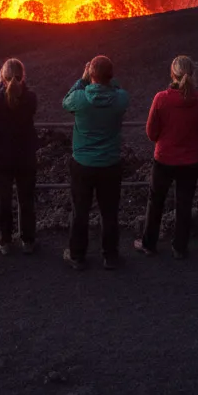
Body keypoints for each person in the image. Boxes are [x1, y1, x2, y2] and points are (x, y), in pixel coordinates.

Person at [136, 55, 198, 259]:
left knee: (156, 201)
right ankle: (180, 247)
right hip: (191, 160)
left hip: (164, 159)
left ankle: (149, 244)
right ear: (193, 73)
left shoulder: (161, 98)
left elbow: (151, 133)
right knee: (184, 203)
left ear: (172, 74)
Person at [62, 55, 129, 270]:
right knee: (109, 212)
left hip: (82, 164)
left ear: (91, 74)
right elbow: (118, 89)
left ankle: (76, 255)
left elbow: (66, 101)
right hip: (110, 164)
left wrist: (82, 80)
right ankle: (110, 256)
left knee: (80, 211)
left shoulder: (80, 98)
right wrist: (109, 80)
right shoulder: (120, 99)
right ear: (111, 76)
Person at [0, 58, 38, 254]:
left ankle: (5, 242)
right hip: (25, 156)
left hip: (1, 156)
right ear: (22, 76)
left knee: (3, 199)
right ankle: (28, 241)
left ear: (3, 76)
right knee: (26, 198)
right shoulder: (30, 97)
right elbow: (29, 106)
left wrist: (0, 84)